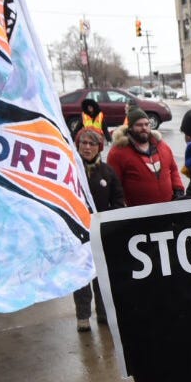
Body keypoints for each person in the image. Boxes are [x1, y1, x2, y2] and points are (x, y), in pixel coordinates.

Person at [72, 126, 124, 333]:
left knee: (102, 275)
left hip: (101, 233)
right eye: (83, 143)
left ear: (99, 147)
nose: (87, 147)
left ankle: (104, 313)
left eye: (91, 144)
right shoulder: (71, 170)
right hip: (77, 234)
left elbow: (118, 200)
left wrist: (108, 220)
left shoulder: (107, 172)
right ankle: (83, 316)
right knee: (81, 277)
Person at [107, 106, 182, 206]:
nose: (144, 128)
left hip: (168, 208)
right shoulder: (118, 152)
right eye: (139, 125)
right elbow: (114, 184)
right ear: (130, 127)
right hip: (137, 211)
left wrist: (178, 189)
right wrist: (120, 205)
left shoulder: (162, 146)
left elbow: (173, 169)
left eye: (147, 124)